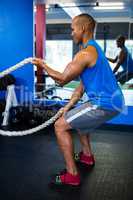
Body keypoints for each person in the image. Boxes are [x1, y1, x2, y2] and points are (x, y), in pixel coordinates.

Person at [32, 14, 125, 187]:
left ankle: (72, 175)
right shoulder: (95, 49)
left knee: (60, 126)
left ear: (82, 29)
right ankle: (87, 156)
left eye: (72, 29)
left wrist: (42, 64)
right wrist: (68, 106)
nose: (71, 33)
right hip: (111, 102)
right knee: (78, 118)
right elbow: (82, 86)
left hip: (103, 103)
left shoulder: (85, 54)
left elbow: (61, 79)